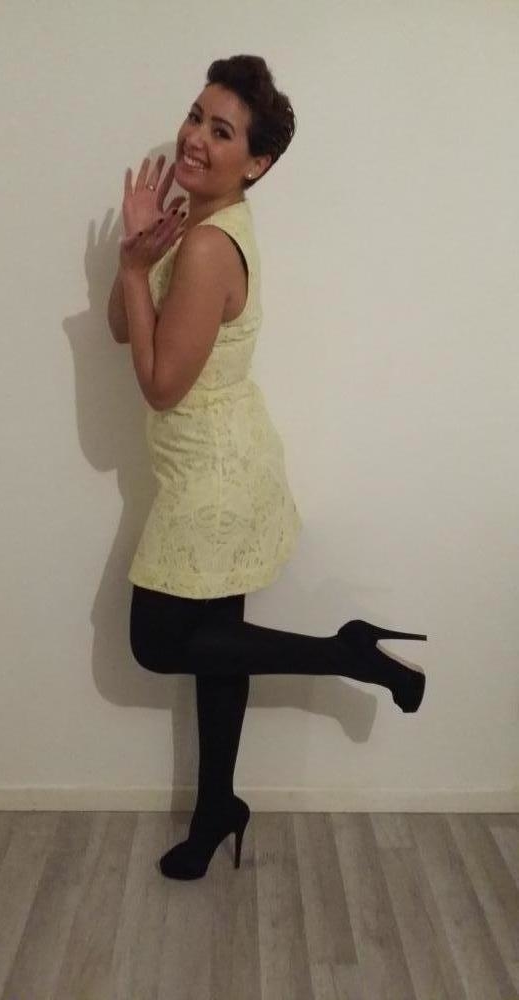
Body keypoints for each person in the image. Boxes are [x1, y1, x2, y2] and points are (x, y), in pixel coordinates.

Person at [107, 55, 428, 881]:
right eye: (196, 115)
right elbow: (123, 324)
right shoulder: (198, 221)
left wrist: (140, 269)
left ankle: (346, 654)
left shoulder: (210, 246)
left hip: (211, 480)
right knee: (219, 650)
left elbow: (159, 384)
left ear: (257, 163)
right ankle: (218, 807)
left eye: (222, 131)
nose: (195, 137)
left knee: (157, 642)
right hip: (224, 460)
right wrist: (134, 255)